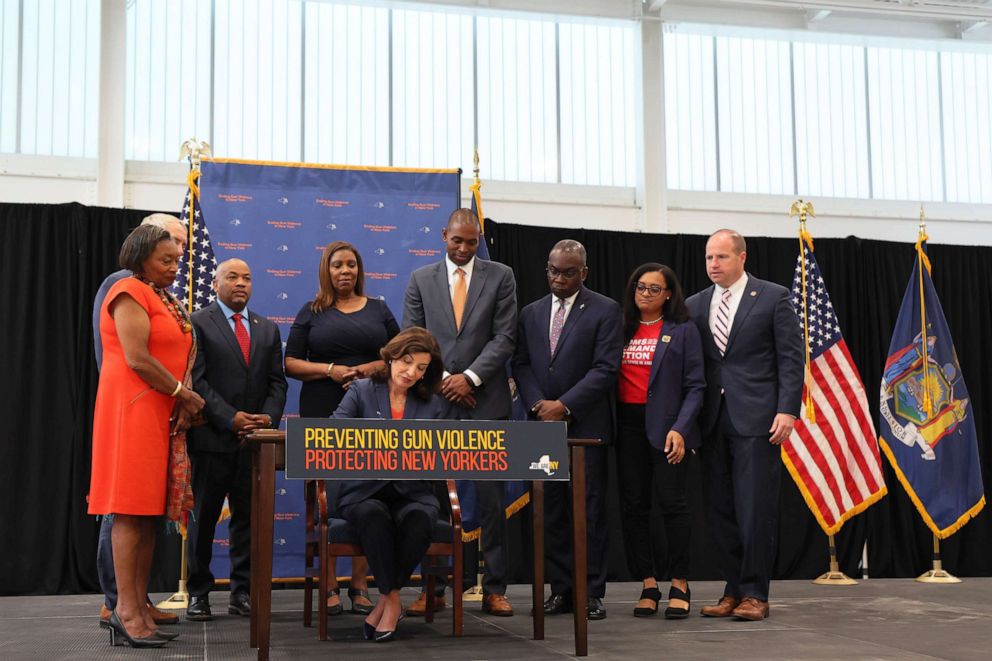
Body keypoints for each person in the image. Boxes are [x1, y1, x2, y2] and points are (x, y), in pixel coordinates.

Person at [88, 224, 205, 647]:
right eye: (165, 260)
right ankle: (124, 610)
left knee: (150, 513)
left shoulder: (162, 296)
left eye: (177, 260)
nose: (175, 268)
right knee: (129, 509)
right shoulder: (128, 292)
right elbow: (137, 358)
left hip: (161, 412)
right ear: (140, 258)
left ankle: (139, 604)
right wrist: (183, 394)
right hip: (132, 409)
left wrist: (180, 398)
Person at [402, 208, 518, 617]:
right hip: (435, 402)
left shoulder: (501, 275)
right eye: (457, 240)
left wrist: (469, 378)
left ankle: (495, 588)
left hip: (485, 403)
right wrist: (445, 380)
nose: (464, 248)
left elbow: (505, 337)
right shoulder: (420, 279)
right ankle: (432, 588)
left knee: (491, 501)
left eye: (471, 241)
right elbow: (412, 340)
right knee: (430, 500)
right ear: (444, 237)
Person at [685, 229, 804, 621]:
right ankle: (732, 590)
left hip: (757, 419)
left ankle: (756, 593)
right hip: (711, 421)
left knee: (754, 509)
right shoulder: (695, 304)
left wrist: (787, 409)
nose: (713, 265)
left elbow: (790, 359)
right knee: (721, 512)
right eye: (708, 258)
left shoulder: (772, 297)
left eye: (720, 257)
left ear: (742, 257)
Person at [285, 241, 399, 615]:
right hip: (322, 409)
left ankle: (361, 581)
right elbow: (290, 363)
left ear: (359, 269)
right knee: (327, 495)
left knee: (370, 494)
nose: (345, 271)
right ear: (326, 271)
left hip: (372, 408)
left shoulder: (380, 310)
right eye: (337, 265)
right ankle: (329, 581)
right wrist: (332, 371)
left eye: (351, 264)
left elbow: (399, 356)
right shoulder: (311, 312)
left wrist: (365, 371)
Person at [512, 240, 623, 621]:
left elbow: (606, 369)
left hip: (585, 428)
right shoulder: (530, 312)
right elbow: (521, 364)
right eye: (553, 271)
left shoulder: (606, 310)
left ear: (584, 273)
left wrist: (565, 406)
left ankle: (590, 591)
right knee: (550, 511)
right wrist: (538, 405)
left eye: (567, 272)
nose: (558, 279)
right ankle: (560, 589)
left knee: (588, 511)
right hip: (539, 427)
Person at [185, 259, 288, 621]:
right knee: (204, 521)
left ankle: (241, 591)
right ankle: (198, 593)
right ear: (215, 283)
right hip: (212, 440)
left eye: (247, 277)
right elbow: (197, 381)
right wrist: (231, 419)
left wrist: (268, 419)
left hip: (255, 445)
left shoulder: (267, 329)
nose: (241, 283)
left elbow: (277, 382)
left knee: (248, 521)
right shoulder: (197, 322)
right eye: (232, 277)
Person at [331, 327, 446, 642]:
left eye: (421, 368)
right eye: (406, 362)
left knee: (420, 519)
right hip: (363, 489)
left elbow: (440, 454)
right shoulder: (361, 390)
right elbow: (335, 434)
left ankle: (384, 598)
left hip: (414, 490)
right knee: (373, 516)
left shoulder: (432, 404)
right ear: (392, 356)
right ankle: (393, 600)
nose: (411, 372)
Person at [615, 263, 705, 618]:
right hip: (627, 427)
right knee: (634, 506)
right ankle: (648, 582)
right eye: (640, 286)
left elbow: (697, 385)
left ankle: (680, 581)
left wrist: (681, 428)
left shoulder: (683, 330)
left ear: (669, 294)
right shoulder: (621, 328)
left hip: (668, 430)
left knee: (673, 504)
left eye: (654, 289)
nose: (645, 294)